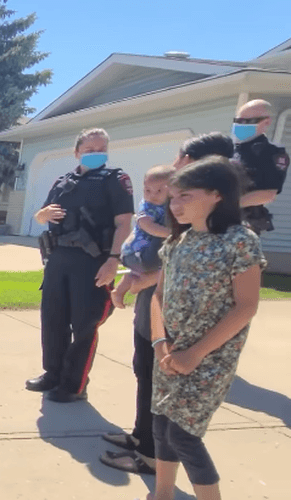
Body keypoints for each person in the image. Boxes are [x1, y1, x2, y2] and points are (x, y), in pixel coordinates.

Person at [99, 134, 236, 476]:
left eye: (181, 158)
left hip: (182, 324)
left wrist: (144, 279)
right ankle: (140, 437)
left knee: (158, 389)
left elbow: (198, 267)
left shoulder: (215, 220)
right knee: (143, 372)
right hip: (155, 310)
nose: (176, 164)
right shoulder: (180, 207)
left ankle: (149, 455)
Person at [148, 155, 264, 500]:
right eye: (173, 197)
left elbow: (247, 306)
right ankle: (163, 494)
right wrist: (159, 342)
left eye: (186, 196)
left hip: (210, 359)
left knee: (184, 435)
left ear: (217, 195)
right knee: (161, 426)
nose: (176, 205)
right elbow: (158, 295)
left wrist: (196, 352)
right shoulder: (176, 243)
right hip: (168, 354)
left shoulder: (239, 241)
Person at [27, 128, 134, 402]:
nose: (96, 154)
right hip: (59, 257)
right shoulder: (63, 181)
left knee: (85, 324)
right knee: (53, 319)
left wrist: (113, 260)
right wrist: (43, 214)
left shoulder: (115, 180)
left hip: (94, 260)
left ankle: (74, 385)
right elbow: (41, 216)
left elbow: (123, 223)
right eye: (89, 150)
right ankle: (52, 374)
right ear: (76, 153)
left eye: (101, 150)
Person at [111, 165, 174, 309]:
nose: (152, 195)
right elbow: (146, 224)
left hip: (139, 254)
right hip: (138, 251)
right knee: (162, 264)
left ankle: (119, 291)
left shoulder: (168, 204)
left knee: (135, 272)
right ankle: (139, 284)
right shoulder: (147, 206)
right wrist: (170, 233)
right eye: (147, 190)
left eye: (159, 191)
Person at [231, 99, 289, 235]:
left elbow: (267, 195)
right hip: (217, 221)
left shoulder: (273, 153)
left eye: (247, 121)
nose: (240, 125)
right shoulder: (230, 149)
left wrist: (227, 205)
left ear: (266, 122)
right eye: (238, 121)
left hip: (242, 226)